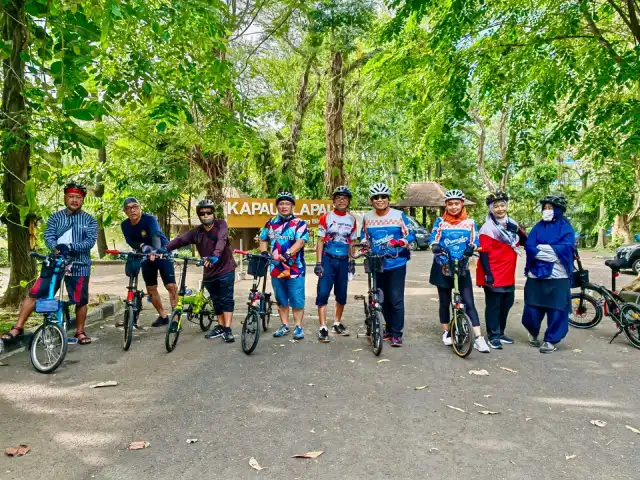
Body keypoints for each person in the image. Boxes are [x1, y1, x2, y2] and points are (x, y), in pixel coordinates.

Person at [1, 183, 97, 344]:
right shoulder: (55, 217)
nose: (74, 200)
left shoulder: (89, 220)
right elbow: (49, 237)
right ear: (65, 197)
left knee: (81, 299)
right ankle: (17, 327)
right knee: (35, 293)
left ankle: (80, 332)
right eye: (71, 196)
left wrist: (71, 247)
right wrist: (56, 247)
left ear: (83, 200)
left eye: (78, 197)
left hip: (79, 264)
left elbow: (90, 241)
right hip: (55, 261)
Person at [161, 199, 237, 343]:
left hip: (226, 268)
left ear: (213, 213)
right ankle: (220, 326)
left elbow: (221, 239)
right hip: (209, 271)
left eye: (208, 212)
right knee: (216, 300)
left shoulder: (221, 224)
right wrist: (164, 249)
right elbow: (180, 240)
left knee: (226, 299)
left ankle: (228, 329)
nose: (205, 215)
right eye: (202, 213)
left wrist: (215, 255)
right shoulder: (197, 232)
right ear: (199, 216)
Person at [429, 189, 491, 353]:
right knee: (444, 301)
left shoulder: (470, 222)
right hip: (442, 265)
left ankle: (478, 337)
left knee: (469, 302)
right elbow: (434, 238)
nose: (454, 207)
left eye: (457, 203)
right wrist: (435, 246)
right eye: (450, 204)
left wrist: (472, 247)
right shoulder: (440, 222)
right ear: (446, 205)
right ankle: (446, 332)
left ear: (462, 204)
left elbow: (475, 239)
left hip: (461, 265)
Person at [359, 183, 414, 347]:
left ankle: (397, 334)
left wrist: (401, 241)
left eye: (383, 196)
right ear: (371, 201)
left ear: (388, 199)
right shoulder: (367, 217)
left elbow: (410, 235)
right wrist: (364, 244)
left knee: (395, 299)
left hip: (396, 263)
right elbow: (364, 236)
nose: (380, 200)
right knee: (381, 299)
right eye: (376, 197)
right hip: (377, 263)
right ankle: (388, 330)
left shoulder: (399, 215)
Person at [521, 194, 575, 353]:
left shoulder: (566, 228)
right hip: (535, 276)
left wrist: (541, 249)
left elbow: (565, 249)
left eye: (550, 208)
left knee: (557, 309)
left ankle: (551, 341)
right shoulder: (537, 227)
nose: (547, 210)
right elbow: (529, 247)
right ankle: (532, 332)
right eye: (545, 207)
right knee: (532, 307)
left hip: (558, 278)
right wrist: (551, 251)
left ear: (559, 210)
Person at [476, 192, 528, 349]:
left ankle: (501, 332)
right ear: (491, 209)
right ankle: (493, 336)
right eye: (496, 206)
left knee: (507, 303)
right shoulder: (488, 228)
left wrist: (517, 230)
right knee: (494, 305)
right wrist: (488, 274)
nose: (500, 209)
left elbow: (526, 242)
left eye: (502, 205)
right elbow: (483, 252)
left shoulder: (512, 223)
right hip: (493, 271)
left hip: (508, 272)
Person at [120, 197, 177, 327]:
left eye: (135, 206)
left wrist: (156, 251)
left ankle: (175, 317)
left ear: (140, 208)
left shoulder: (149, 219)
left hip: (162, 251)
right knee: (151, 288)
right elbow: (130, 240)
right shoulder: (125, 225)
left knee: (170, 286)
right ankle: (163, 316)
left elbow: (155, 235)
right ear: (125, 211)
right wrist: (143, 246)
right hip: (145, 255)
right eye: (129, 208)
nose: (133, 210)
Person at [259, 191, 309, 340]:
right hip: (276, 267)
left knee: (297, 299)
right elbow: (263, 239)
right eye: (281, 204)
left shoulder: (300, 223)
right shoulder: (270, 223)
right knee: (281, 298)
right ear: (277, 206)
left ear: (292, 206)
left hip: (295, 268)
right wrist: (263, 253)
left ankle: (298, 327)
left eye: (287, 203)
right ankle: (284, 325)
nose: (284, 206)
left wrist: (288, 253)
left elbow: (300, 242)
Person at [314, 186, 358, 343]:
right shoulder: (326, 217)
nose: (342, 200)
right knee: (323, 292)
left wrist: (352, 261)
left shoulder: (352, 219)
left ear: (348, 201)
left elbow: (352, 242)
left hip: (343, 260)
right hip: (328, 258)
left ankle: (337, 323)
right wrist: (318, 263)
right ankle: (323, 327)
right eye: (338, 197)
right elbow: (319, 241)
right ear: (333, 201)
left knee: (342, 294)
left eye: (345, 198)